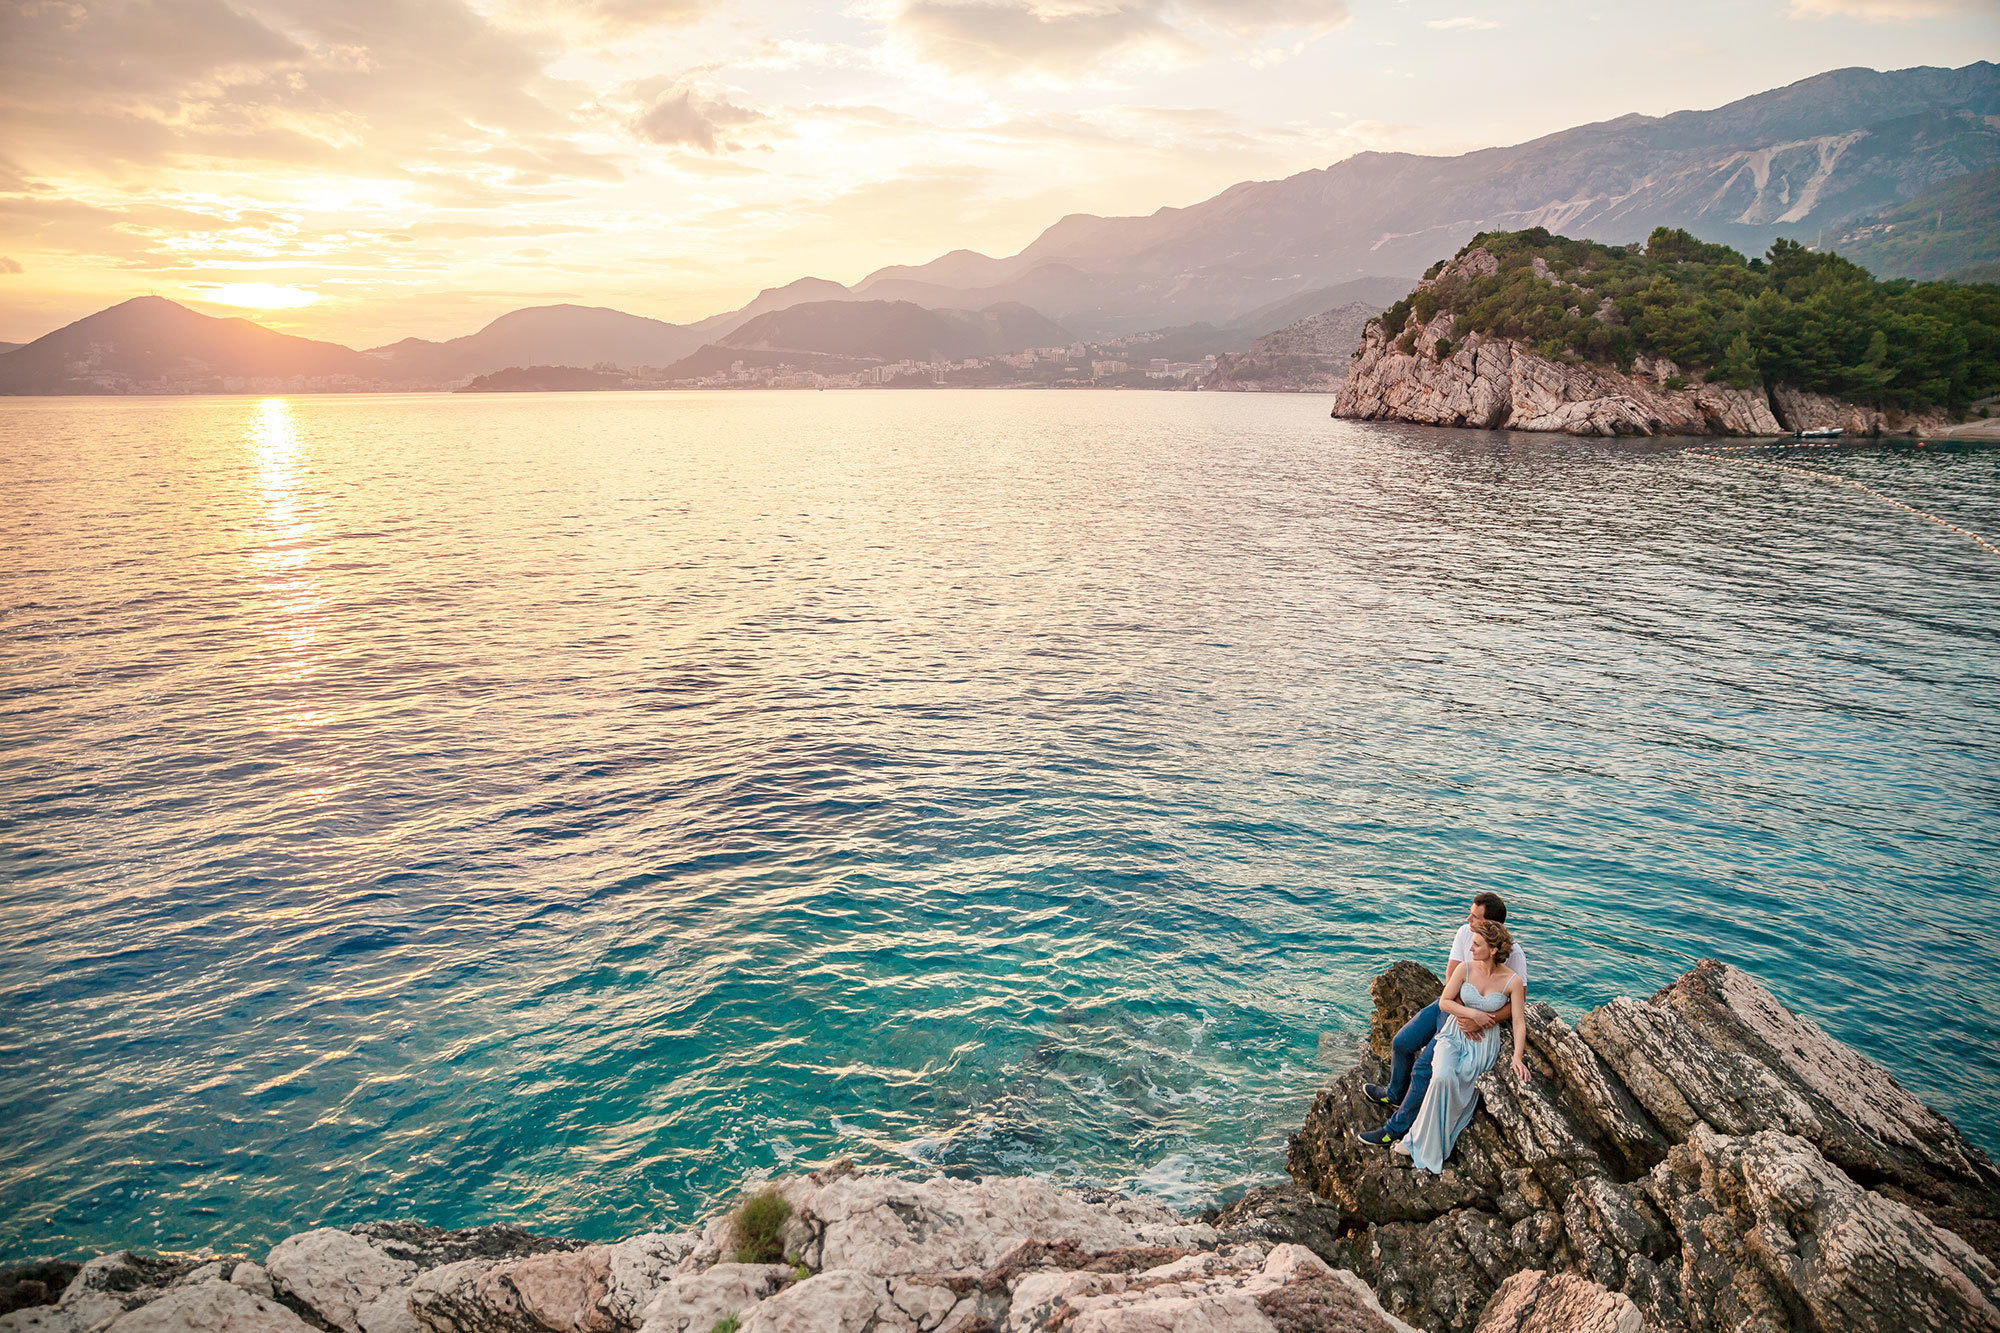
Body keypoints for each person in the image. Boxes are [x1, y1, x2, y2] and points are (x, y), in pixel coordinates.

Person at [1355, 892, 1527, 1148]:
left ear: (1493, 926)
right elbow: (1451, 978)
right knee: (1402, 1043)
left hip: (1474, 1019)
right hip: (1449, 1005)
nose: (1468, 919)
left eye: (1475, 917)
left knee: (1425, 1068)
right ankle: (1394, 1094)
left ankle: (1395, 1129)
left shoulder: (1515, 955)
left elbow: (1517, 1004)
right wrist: (1464, 1013)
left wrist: (1482, 1020)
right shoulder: (1464, 934)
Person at [1393, 917, 1529, 1172]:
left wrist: (1517, 1057)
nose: (1471, 948)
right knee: (1441, 1077)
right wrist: (1473, 1015)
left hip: (1484, 1044)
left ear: (1494, 950)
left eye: (1477, 945)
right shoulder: (1465, 969)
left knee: (1460, 1087)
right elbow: (1445, 1002)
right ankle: (1415, 1139)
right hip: (1454, 1034)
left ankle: (1426, 1141)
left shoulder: (1512, 982)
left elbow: (1519, 1021)